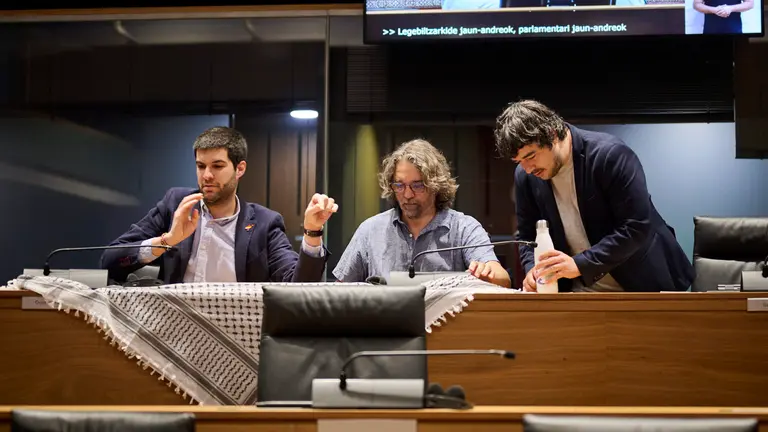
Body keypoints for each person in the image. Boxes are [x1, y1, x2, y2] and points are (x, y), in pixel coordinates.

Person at [494, 100, 694, 292]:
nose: (527, 169)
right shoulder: (526, 176)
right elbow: (528, 236)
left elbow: (637, 226)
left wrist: (580, 264)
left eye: (531, 156)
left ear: (552, 134)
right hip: (579, 291)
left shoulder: (609, 155)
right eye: (518, 161)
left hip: (643, 282)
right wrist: (532, 271)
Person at [101, 126, 337, 284]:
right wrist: (167, 240)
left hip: (237, 330)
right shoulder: (176, 205)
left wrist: (312, 232)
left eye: (217, 166)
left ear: (240, 169)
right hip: (175, 328)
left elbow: (298, 286)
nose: (207, 176)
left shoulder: (265, 223)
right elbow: (111, 261)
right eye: (201, 166)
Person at [333, 139, 511, 287]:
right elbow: (341, 291)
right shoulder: (370, 230)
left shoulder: (464, 228)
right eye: (399, 185)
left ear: (436, 185)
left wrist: (487, 274)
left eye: (417, 185)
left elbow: (503, 280)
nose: (407, 194)